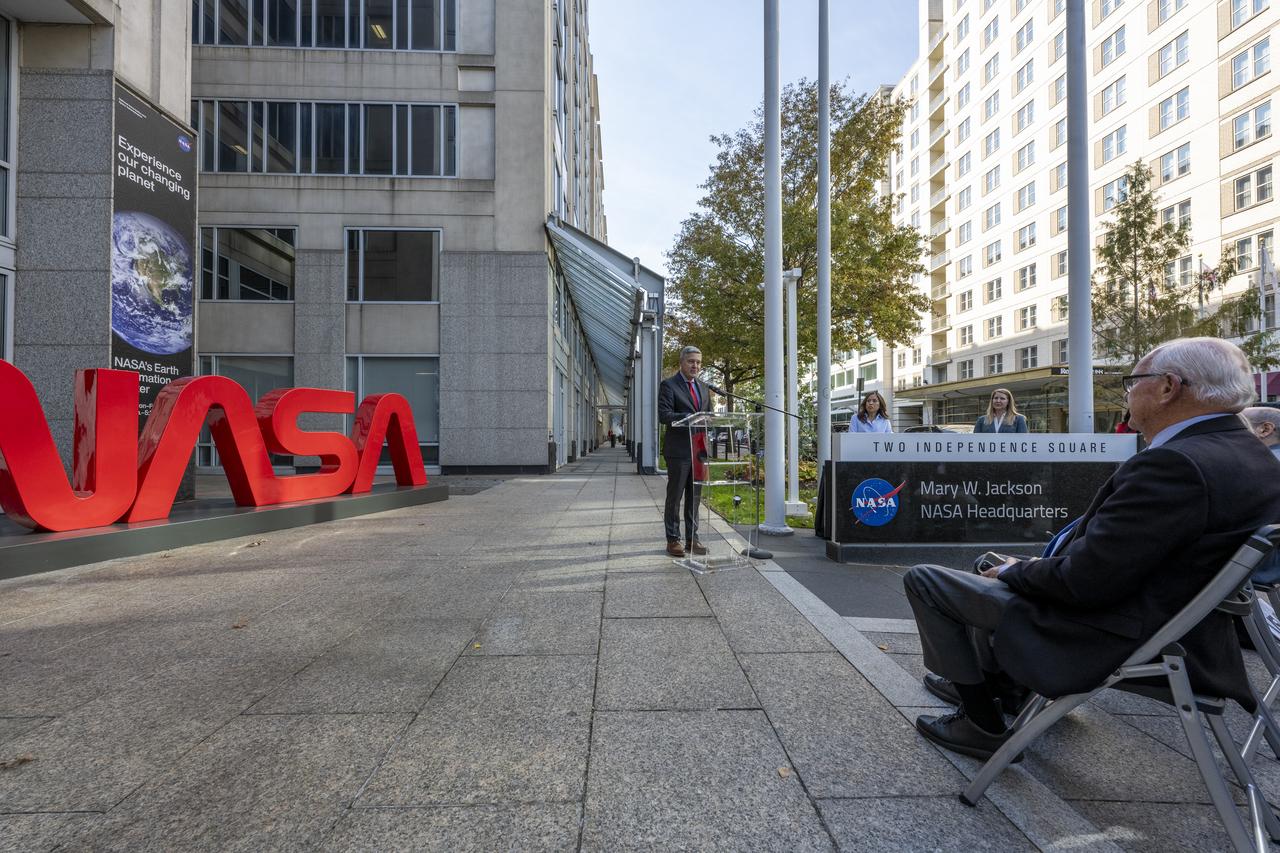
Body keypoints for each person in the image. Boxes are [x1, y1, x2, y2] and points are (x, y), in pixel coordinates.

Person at [903, 337, 1280, 760]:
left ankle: (980, 722)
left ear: (1168, 387)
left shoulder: (1177, 464)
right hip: (1185, 627)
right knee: (990, 563)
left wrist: (1016, 572)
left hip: (1109, 631)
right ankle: (1004, 690)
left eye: (1133, 381)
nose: (1127, 391)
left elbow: (1084, 582)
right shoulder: (1252, 454)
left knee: (926, 581)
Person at [658, 346, 715, 558]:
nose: (695, 366)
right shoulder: (669, 385)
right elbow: (664, 415)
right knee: (675, 497)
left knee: (695, 497)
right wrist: (691, 417)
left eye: (699, 362)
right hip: (679, 450)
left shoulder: (703, 387)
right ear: (682, 362)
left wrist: (709, 419)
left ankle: (692, 539)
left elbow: (707, 414)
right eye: (691, 361)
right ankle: (673, 540)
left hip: (699, 450)